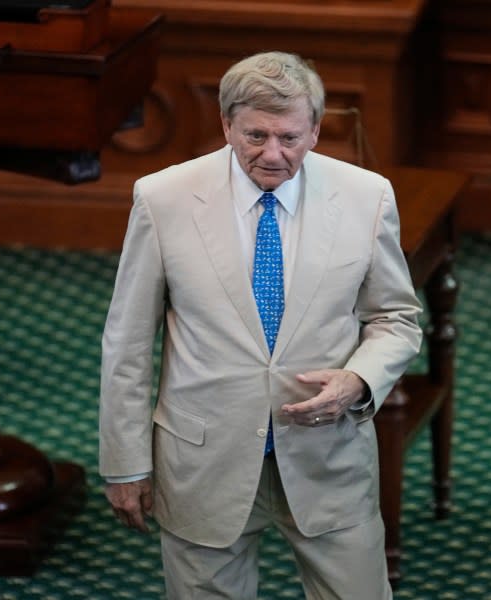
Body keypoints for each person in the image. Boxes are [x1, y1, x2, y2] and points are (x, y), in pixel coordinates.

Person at [99, 51, 422, 599]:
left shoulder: (368, 197)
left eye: (290, 138)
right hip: (204, 461)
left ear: (317, 131)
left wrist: (359, 380)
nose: (272, 154)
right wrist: (124, 464)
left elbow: (396, 318)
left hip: (329, 458)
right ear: (226, 124)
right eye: (255, 136)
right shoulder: (163, 198)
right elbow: (128, 342)